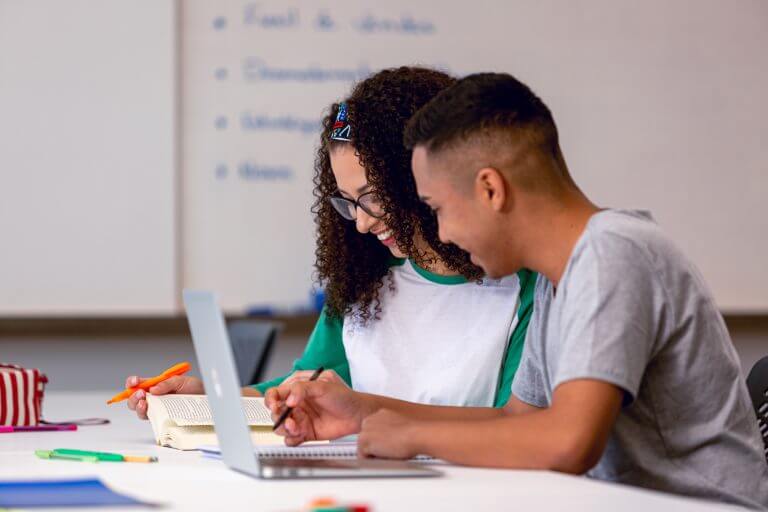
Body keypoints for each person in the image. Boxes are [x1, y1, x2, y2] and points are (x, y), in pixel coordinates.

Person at [265, 72, 768, 509]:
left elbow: (568, 442)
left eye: (437, 208)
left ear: (491, 189)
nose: (440, 235)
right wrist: (368, 411)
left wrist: (412, 434)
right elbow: (514, 419)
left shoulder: (615, 253)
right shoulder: (560, 276)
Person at [124, 67, 536, 421]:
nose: (360, 223)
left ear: (421, 175)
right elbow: (299, 388)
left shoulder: (524, 288)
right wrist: (208, 403)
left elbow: (509, 428)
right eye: (349, 202)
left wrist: (365, 411)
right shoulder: (365, 282)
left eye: (373, 196)